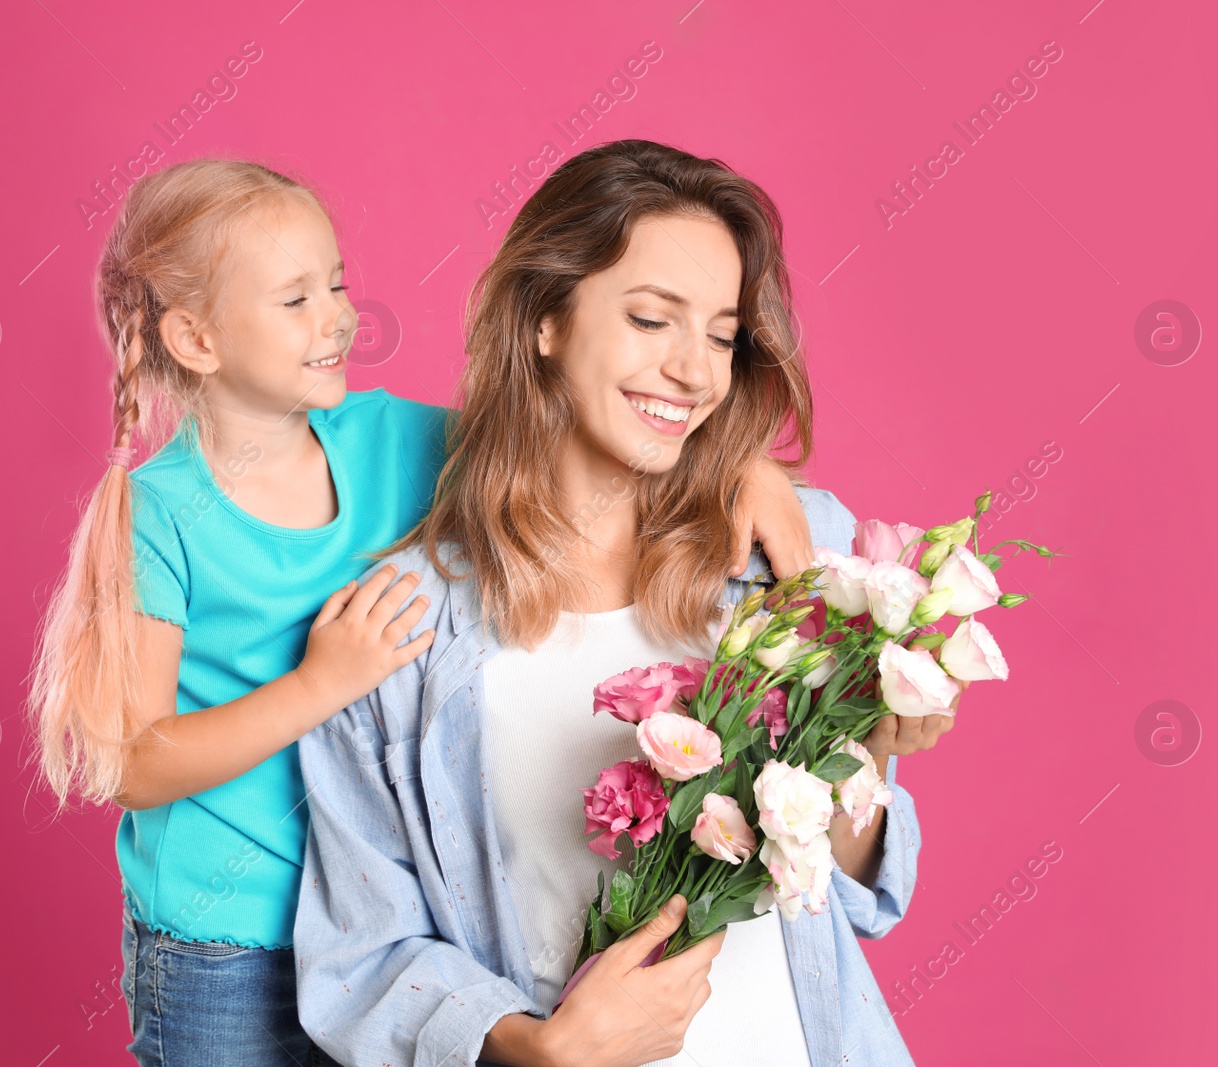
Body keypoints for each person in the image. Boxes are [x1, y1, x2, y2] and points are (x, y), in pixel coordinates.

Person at [26, 157, 817, 1066]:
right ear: (196, 339)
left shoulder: (396, 440)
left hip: (390, 916)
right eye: (295, 301)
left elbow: (574, 432)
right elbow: (133, 760)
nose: (338, 318)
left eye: (337, 284)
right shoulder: (157, 514)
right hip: (230, 943)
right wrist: (322, 683)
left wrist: (745, 469)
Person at [294, 140, 953, 1067]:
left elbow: (851, 896)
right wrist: (537, 1048)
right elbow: (363, 951)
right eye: (652, 319)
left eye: (722, 335)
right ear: (546, 321)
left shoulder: (792, 557)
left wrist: (865, 761)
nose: (693, 371)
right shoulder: (398, 628)